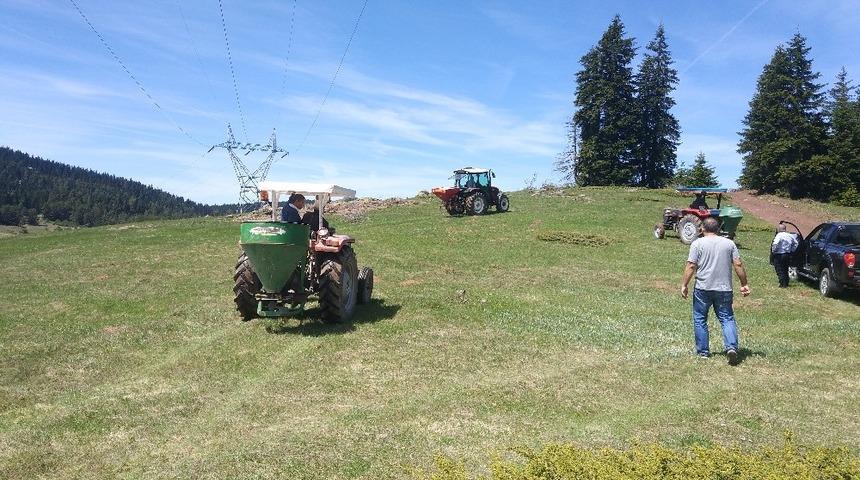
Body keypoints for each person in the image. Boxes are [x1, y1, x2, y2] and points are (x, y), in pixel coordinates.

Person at [681, 217, 750, 365]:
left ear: (702, 229)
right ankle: (731, 347)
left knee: (700, 319)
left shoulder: (697, 243)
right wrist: (744, 284)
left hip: (703, 288)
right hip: (724, 288)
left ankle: (703, 352)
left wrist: (684, 285)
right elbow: (738, 264)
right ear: (718, 229)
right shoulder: (729, 244)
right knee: (727, 318)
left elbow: (691, 266)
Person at [770, 224, 799, 288]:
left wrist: (773, 251)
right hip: (787, 254)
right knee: (785, 269)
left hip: (779, 254)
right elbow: (796, 243)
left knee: (779, 269)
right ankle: (786, 282)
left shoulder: (779, 235)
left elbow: (775, 243)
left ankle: (782, 284)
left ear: (779, 229)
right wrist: (792, 250)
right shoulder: (790, 235)